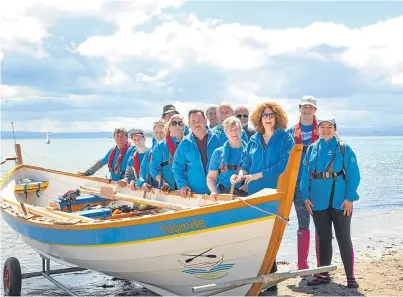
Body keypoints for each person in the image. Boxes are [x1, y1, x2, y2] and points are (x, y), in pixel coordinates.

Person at [231, 102, 295, 291]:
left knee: (270, 234)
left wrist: (257, 175)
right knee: (256, 234)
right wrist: (241, 174)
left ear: (277, 117)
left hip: (275, 192)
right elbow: (246, 161)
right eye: (264, 115)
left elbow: (284, 165)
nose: (268, 118)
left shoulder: (285, 138)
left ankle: (271, 282)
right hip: (254, 192)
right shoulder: (253, 139)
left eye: (271, 114)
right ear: (259, 118)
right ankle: (259, 281)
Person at [301, 118, 360, 288]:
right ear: (317, 129)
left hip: (341, 201)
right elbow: (305, 175)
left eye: (329, 127)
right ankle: (324, 274)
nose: (325, 130)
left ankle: (350, 276)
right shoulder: (312, 148)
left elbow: (354, 175)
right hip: (317, 201)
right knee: (324, 238)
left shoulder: (343, 148)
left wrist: (350, 198)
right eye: (322, 127)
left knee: (343, 238)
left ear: (335, 129)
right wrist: (305, 197)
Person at [286, 95, 319, 270]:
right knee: (303, 221)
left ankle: (322, 263)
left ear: (315, 110)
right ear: (299, 108)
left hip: (318, 183)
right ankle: (302, 264)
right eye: (304, 107)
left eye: (310, 107)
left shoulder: (323, 129)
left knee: (321, 222)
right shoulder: (290, 132)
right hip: (297, 183)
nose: (306, 110)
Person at [172, 109, 222, 197]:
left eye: (199, 120)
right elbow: (177, 167)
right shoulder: (184, 143)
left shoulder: (218, 137)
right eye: (193, 121)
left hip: (220, 190)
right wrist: (182, 185)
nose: (196, 124)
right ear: (189, 124)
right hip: (196, 193)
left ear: (205, 121)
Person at [207, 116, 247, 198]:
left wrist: (250, 185)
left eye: (236, 129)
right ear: (226, 133)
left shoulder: (250, 152)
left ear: (241, 131)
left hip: (245, 195)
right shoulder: (218, 153)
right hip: (223, 194)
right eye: (230, 130)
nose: (234, 132)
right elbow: (211, 177)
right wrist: (214, 192)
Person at [150, 115, 185, 192]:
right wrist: (163, 182)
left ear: (183, 127)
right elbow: (154, 169)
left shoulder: (189, 144)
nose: (177, 126)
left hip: (187, 190)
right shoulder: (160, 146)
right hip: (167, 190)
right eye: (174, 123)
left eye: (180, 123)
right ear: (169, 127)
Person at [137, 120, 165, 191]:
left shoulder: (171, 151)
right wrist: (142, 183)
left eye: (161, 132)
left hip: (165, 189)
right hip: (151, 189)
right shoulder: (149, 152)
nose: (158, 135)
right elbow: (142, 172)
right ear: (153, 133)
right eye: (156, 132)